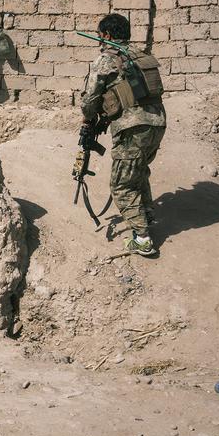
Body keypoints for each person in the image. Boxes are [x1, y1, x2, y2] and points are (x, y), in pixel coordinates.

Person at [81, 13, 166, 256]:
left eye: (100, 36)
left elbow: (90, 99)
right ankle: (146, 215)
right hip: (157, 123)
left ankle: (142, 238)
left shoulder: (105, 60)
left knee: (121, 185)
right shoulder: (141, 55)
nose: (99, 40)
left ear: (107, 35)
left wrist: (88, 119)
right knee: (138, 172)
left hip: (132, 129)